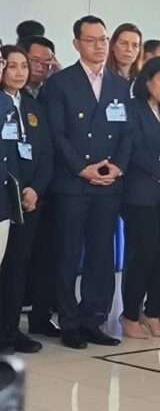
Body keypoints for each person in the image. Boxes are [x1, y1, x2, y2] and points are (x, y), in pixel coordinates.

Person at [45, 15, 132, 349]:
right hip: (73, 183)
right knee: (68, 254)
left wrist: (117, 166)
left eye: (103, 39)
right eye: (91, 40)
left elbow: (127, 132)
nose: (99, 46)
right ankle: (68, 322)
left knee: (101, 254)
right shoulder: (60, 83)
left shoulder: (119, 85)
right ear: (76, 43)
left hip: (108, 184)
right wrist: (82, 168)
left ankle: (93, 319)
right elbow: (57, 134)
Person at [120, 57, 160, 340]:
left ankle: (153, 313)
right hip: (140, 194)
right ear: (148, 81)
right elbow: (135, 151)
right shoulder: (132, 109)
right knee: (143, 254)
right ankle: (130, 315)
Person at [0, 45, 52, 354]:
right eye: (12, 66)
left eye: (23, 66)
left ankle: (10, 330)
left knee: (18, 266)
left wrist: (35, 189)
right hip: (4, 199)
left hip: (28, 200)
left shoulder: (33, 107)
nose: (19, 72)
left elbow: (45, 153)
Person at [21, 36, 60, 337]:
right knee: (17, 259)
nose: (40, 67)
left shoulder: (53, 91)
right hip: (18, 191)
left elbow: (49, 148)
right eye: (34, 61)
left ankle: (41, 316)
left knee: (49, 255)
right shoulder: (12, 97)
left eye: (47, 62)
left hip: (49, 186)